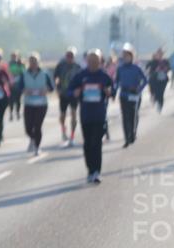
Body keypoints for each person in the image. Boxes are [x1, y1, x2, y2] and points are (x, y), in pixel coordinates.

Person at [67, 50, 115, 184]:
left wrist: (109, 91)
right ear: (87, 62)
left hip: (99, 114)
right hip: (86, 115)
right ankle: (90, 170)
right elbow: (69, 91)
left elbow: (113, 90)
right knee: (88, 144)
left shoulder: (104, 76)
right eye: (90, 61)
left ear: (100, 62)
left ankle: (97, 172)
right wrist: (74, 92)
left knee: (97, 143)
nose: (93, 63)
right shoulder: (81, 76)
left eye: (95, 61)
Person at [16, 52, 55, 155]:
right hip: (29, 104)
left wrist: (46, 90)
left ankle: (37, 147)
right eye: (31, 61)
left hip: (41, 104)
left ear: (38, 62)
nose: (33, 63)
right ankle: (33, 139)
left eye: (35, 61)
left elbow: (51, 88)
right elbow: (19, 88)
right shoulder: (24, 74)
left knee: (37, 126)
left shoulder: (45, 74)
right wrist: (25, 90)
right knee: (28, 128)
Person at [116, 43, 148, 147]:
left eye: (128, 56)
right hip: (124, 95)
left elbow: (145, 80)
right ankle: (126, 138)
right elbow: (116, 82)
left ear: (131, 57)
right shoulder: (120, 68)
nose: (126, 58)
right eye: (124, 56)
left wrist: (139, 89)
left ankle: (133, 133)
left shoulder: (136, 68)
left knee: (133, 115)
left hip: (134, 94)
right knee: (125, 117)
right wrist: (112, 92)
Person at [54, 47, 82, 145]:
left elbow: (81, 80)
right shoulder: (61, 66)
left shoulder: (78, 67)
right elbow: (56, 78)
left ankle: (72, 135)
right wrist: (57, 89)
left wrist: (79, 90)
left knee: (74, 114)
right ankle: (63, 130)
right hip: (63, 93)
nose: (69, 57)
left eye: (71, 56)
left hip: (73, 94)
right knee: (62, 115)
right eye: (68, 56)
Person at [7, 51, 25, 121]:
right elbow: (7, 73)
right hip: (11, 85)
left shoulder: (20, 63)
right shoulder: (9, 64)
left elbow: (23, 72)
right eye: (13, 56)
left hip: (18, 85)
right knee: (11, 100)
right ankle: (11, 113)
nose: (14, 58)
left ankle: (17, 112)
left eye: (15, 56)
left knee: (18, 100)